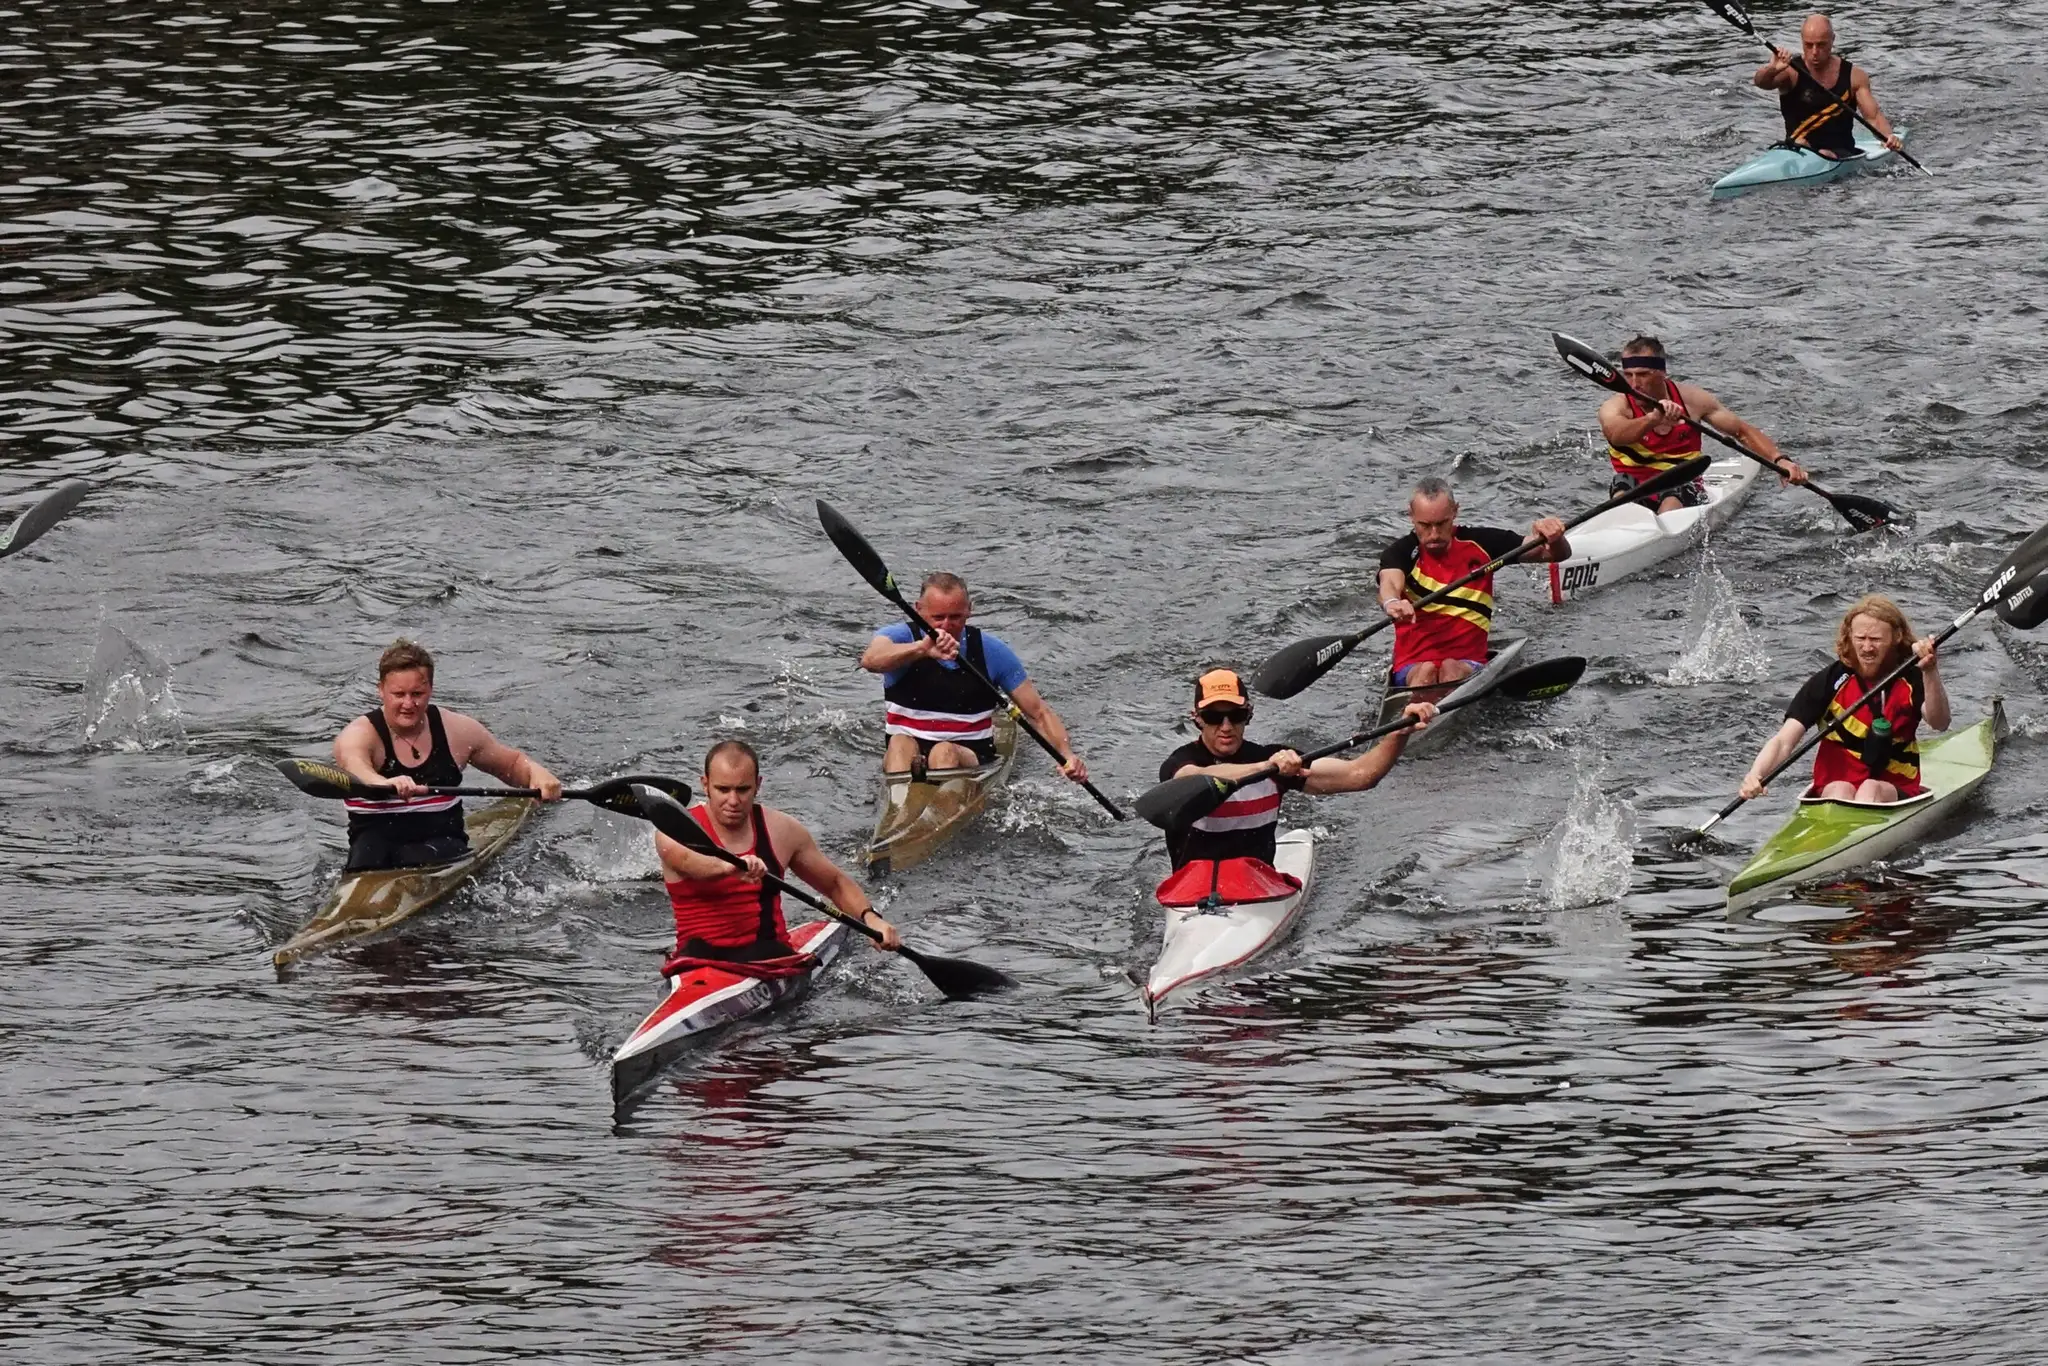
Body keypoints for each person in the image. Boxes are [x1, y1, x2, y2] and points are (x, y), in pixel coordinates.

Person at [1157, 669, 1436, 872]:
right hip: (1190, 891)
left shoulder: (1276, 758)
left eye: (1236, 715)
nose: (1226, 726)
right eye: (1214, 717)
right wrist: (1266, 767)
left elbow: (1361, 775)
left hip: (1256, 886)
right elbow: (1191, 780)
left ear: (1249, 714)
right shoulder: (1181, 762)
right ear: (1197, 719)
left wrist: (1399, 733)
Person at [657, 739, 901, 970]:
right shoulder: (674, 831)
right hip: (698, 961)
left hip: (770, 958)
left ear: (758, 785)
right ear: (705, 784)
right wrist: (730, 867)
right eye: (723, 789)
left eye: (743, 789)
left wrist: (871, 918)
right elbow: (689, 861)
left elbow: (835, 883)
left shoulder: (782, 830)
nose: (733, 800)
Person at [331, 639, 562, 872]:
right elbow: (355, 766)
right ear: (381, 690)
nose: (408, 704)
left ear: (430, 690)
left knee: (424, 853)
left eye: (417, 693)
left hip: (441, 844)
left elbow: (511, 764)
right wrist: (383, 783)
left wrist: (536, 773)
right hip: (374, 848)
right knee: (369, 852)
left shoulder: (457, 730)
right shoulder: (359, 734)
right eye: (399, 694)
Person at [858, 571, 1091, 783]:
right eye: (938, 617)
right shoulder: (900, 637)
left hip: (968, 756)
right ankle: (899, 805)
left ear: (969, 610)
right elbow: (870, 660)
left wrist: (1067, 756)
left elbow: (1038, 713)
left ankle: (942, 805)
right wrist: (922, 649)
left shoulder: (991, 651)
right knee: (899, 743)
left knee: (943, 752)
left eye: (956, 617)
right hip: (907, 750)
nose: (946, 625)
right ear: (919, 609)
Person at [1739, 595, 1949, 804]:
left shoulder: (1912, 676)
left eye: (1875, 639)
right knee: (1841, 789)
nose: (1867, 648)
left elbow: (1940, 722)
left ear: (1896, 637)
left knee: (1870, 788)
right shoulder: (1830, 681)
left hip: (1895, 785)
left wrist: (1930, 671)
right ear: (1849, 636)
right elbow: (1784, 741)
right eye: (1860, 638)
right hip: (1834, 787)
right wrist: (1756, 774)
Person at [1378, 477, 1571, 691]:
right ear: (1411, 515)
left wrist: (1554, 537)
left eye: (1441, 524)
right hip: (1411, 668)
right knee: (1426, 671)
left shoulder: (1483, 543)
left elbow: (1554, 554)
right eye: (1424, 525)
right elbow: (1389, 582)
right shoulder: (1400, 553)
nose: (1434, 534)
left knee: (1450, 669)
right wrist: (1392, 602)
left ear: (1455, 511)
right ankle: (1420, 707)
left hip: (1467, 663)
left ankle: (1428, 704)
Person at [1599, 335, 1807, 513]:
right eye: (1628, 375)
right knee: (1621, 485)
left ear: (1662, 372)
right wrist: (1652, 419)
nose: (1634, 384)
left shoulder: (1693, 400)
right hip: (1634, 486)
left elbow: (1741, 432)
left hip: (1681, 483)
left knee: (1673, 495)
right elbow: (1616, 435)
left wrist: (1780, 461)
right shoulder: (1615, 406)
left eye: (1643, 374)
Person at [1753, 13, 1904, 159]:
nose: (1814, 52)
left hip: (1841, 153)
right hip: (1797, 150)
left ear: (1833, 40)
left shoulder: (1854, 76)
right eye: (1808, 45)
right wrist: (1772, 69)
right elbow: (1761, 83)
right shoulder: (1790, 72)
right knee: (1801, 143)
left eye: (1821, 45)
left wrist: (1888, 137)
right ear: (1802, 41)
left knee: (1823, 153)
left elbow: (1874, 117)